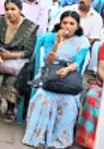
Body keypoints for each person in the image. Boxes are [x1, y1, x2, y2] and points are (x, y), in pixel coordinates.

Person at [23, 11, 90, 149]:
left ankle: (59, 140)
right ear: (60, 24)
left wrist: (67, 70)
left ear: (77, 26)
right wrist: (57, 42)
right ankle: (39, 137)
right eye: (65, 23)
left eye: (71, 23)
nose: (67, 26)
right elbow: (48, 60)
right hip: (50, 71)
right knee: (44, 96)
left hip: (69, 73)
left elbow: (78, 62)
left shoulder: (82, 42)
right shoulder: (50, 37)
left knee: (69, 100)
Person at [0, 0, 37, 122]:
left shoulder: (30, 27)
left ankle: (11, 107)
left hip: (17, 60)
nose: (9, 12)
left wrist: (10, 55)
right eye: (7, 9)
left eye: (13, 9)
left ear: (20, 10)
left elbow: (28, 51)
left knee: (13, 80)